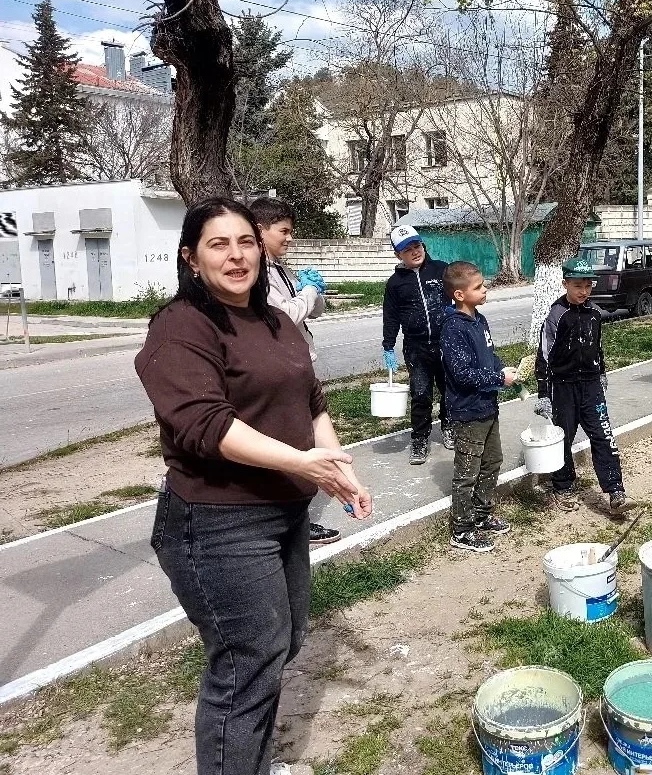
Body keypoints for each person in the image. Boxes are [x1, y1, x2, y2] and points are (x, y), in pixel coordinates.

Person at [135, 198, 373, 775]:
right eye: (218, 244)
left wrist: (338, 469)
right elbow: (206, 424)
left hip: (284, 514)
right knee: (247, 662)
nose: (237, 256)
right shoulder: (181, 326)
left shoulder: (275, 321)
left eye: (245, 241)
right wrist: (302, 463)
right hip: (218, 522)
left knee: (282, 644)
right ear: (191, 258)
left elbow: (311, 402)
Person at [250, 196, 341, 546]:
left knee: (302, 438)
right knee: (292, 443)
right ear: (260, 230)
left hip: (298, 363)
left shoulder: (281, 268)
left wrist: (314, 292)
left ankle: (294, 516)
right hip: (281, 367)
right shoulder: (258, 272)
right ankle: (292, 521)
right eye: (283, 231)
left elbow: (312, 311)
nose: (290, 238)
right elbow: (284, 317)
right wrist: (308, 292)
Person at [533, 257, 635, 515]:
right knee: (562, 438)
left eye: (588, 286)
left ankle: (615, 491)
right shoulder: (556, 316)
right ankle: (563, 486)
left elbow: (597, 347)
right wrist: (544, 393)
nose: (584, 291)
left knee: (603, 434)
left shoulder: (595, 314)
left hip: (590, 386)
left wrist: (601, 372)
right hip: (562, 387)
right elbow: (543, 356)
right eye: (578, 285)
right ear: (565, 283)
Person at [440, 261, 517, 552]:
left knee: (492, 461)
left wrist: (502, 370)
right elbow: (462, 374)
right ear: (459, 295)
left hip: (488, 406)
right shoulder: (453, 328)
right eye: (478, 287)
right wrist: (498, 378)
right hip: (467, 412)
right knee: (467, 473)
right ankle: (461, 530)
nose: (485, 290)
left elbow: (490, 355)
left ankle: (482, 515)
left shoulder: (479, 320)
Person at [382, 224, 452, 465]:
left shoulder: (441, 270)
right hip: (416, 348)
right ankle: (420, 439)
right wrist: (388, 345)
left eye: (417, 245)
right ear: (398, 255)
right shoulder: (395, 283)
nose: (415, 252)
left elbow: (460, 295)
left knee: (449, 389)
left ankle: (449, 426)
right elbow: (391, 316)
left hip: (446, 343)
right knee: (421, 394)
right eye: (407, 249)